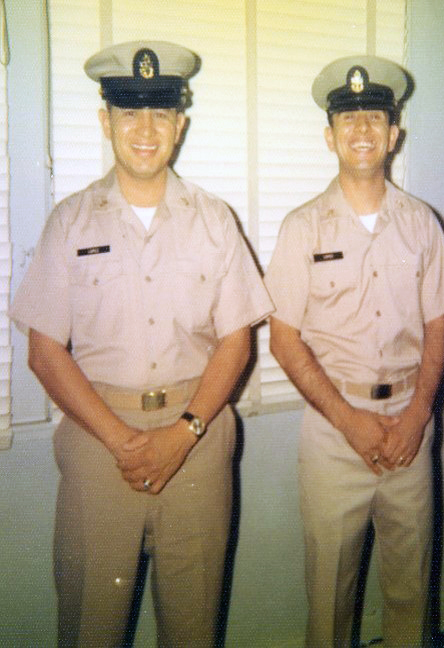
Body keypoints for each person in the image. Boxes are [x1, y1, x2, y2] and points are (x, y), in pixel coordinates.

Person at [10, 40, 273, 647]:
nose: (146, 130)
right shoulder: (70, 221)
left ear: (181, 125)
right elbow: (44, 351)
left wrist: (183, 433)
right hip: (98, 442)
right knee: (91, 627)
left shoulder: (214, 219)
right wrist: (121, 439)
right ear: (106, 122)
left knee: (193, 626)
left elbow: (236, 341)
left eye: (161, 113)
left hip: (197, 437)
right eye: (130, 113)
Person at [265, 56, 444, 648]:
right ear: (329, 136)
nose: (362, 130)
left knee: (411, 592)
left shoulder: (422, 223)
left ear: (394, 134)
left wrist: (420, 413)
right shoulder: (302, 227)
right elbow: (284, 340)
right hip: (335, 434)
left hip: (410, 424)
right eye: (348, 119)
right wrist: (348, 420)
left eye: (375, 118)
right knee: (330, 599)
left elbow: (438, 325)